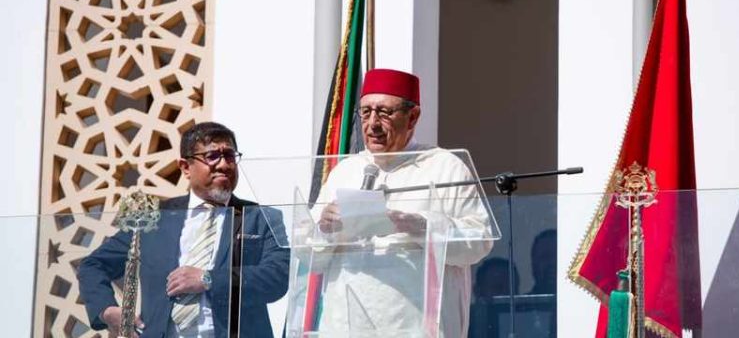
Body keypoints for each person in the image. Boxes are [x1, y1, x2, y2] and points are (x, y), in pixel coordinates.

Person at [314, 69, 494, 337]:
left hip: (415, 326)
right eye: (365, 112)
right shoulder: (345, 171)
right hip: (346, 326)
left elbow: (479, 242)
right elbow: (308, 253)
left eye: (384, 112)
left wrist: (419, 225)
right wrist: (323, 229)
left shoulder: (445, 167)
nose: (373, 124)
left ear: (413, 117)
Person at [78, 122, 290, 338]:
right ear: (185, 167)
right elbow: (93, 265)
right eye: (212, 156)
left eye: (229, 156)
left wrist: (208, 279)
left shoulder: (259, 217)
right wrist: (107, 311)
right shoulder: (155, 218)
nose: (224, 164)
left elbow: (278, 277)